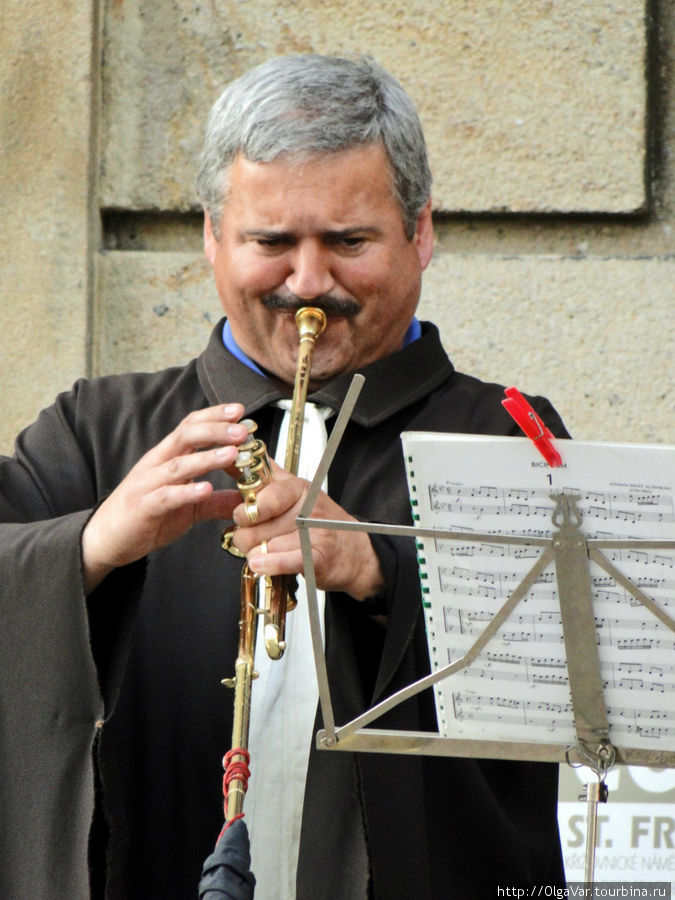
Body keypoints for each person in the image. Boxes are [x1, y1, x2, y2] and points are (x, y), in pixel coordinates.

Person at [0, 54, 568, 899]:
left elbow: (576, 676)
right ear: (211, 238)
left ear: (420, 233)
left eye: (348, 242)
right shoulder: (95, 429)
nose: (308, 283)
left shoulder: (507, 435)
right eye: (271, 242)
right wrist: (88, 547)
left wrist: (378, 570)